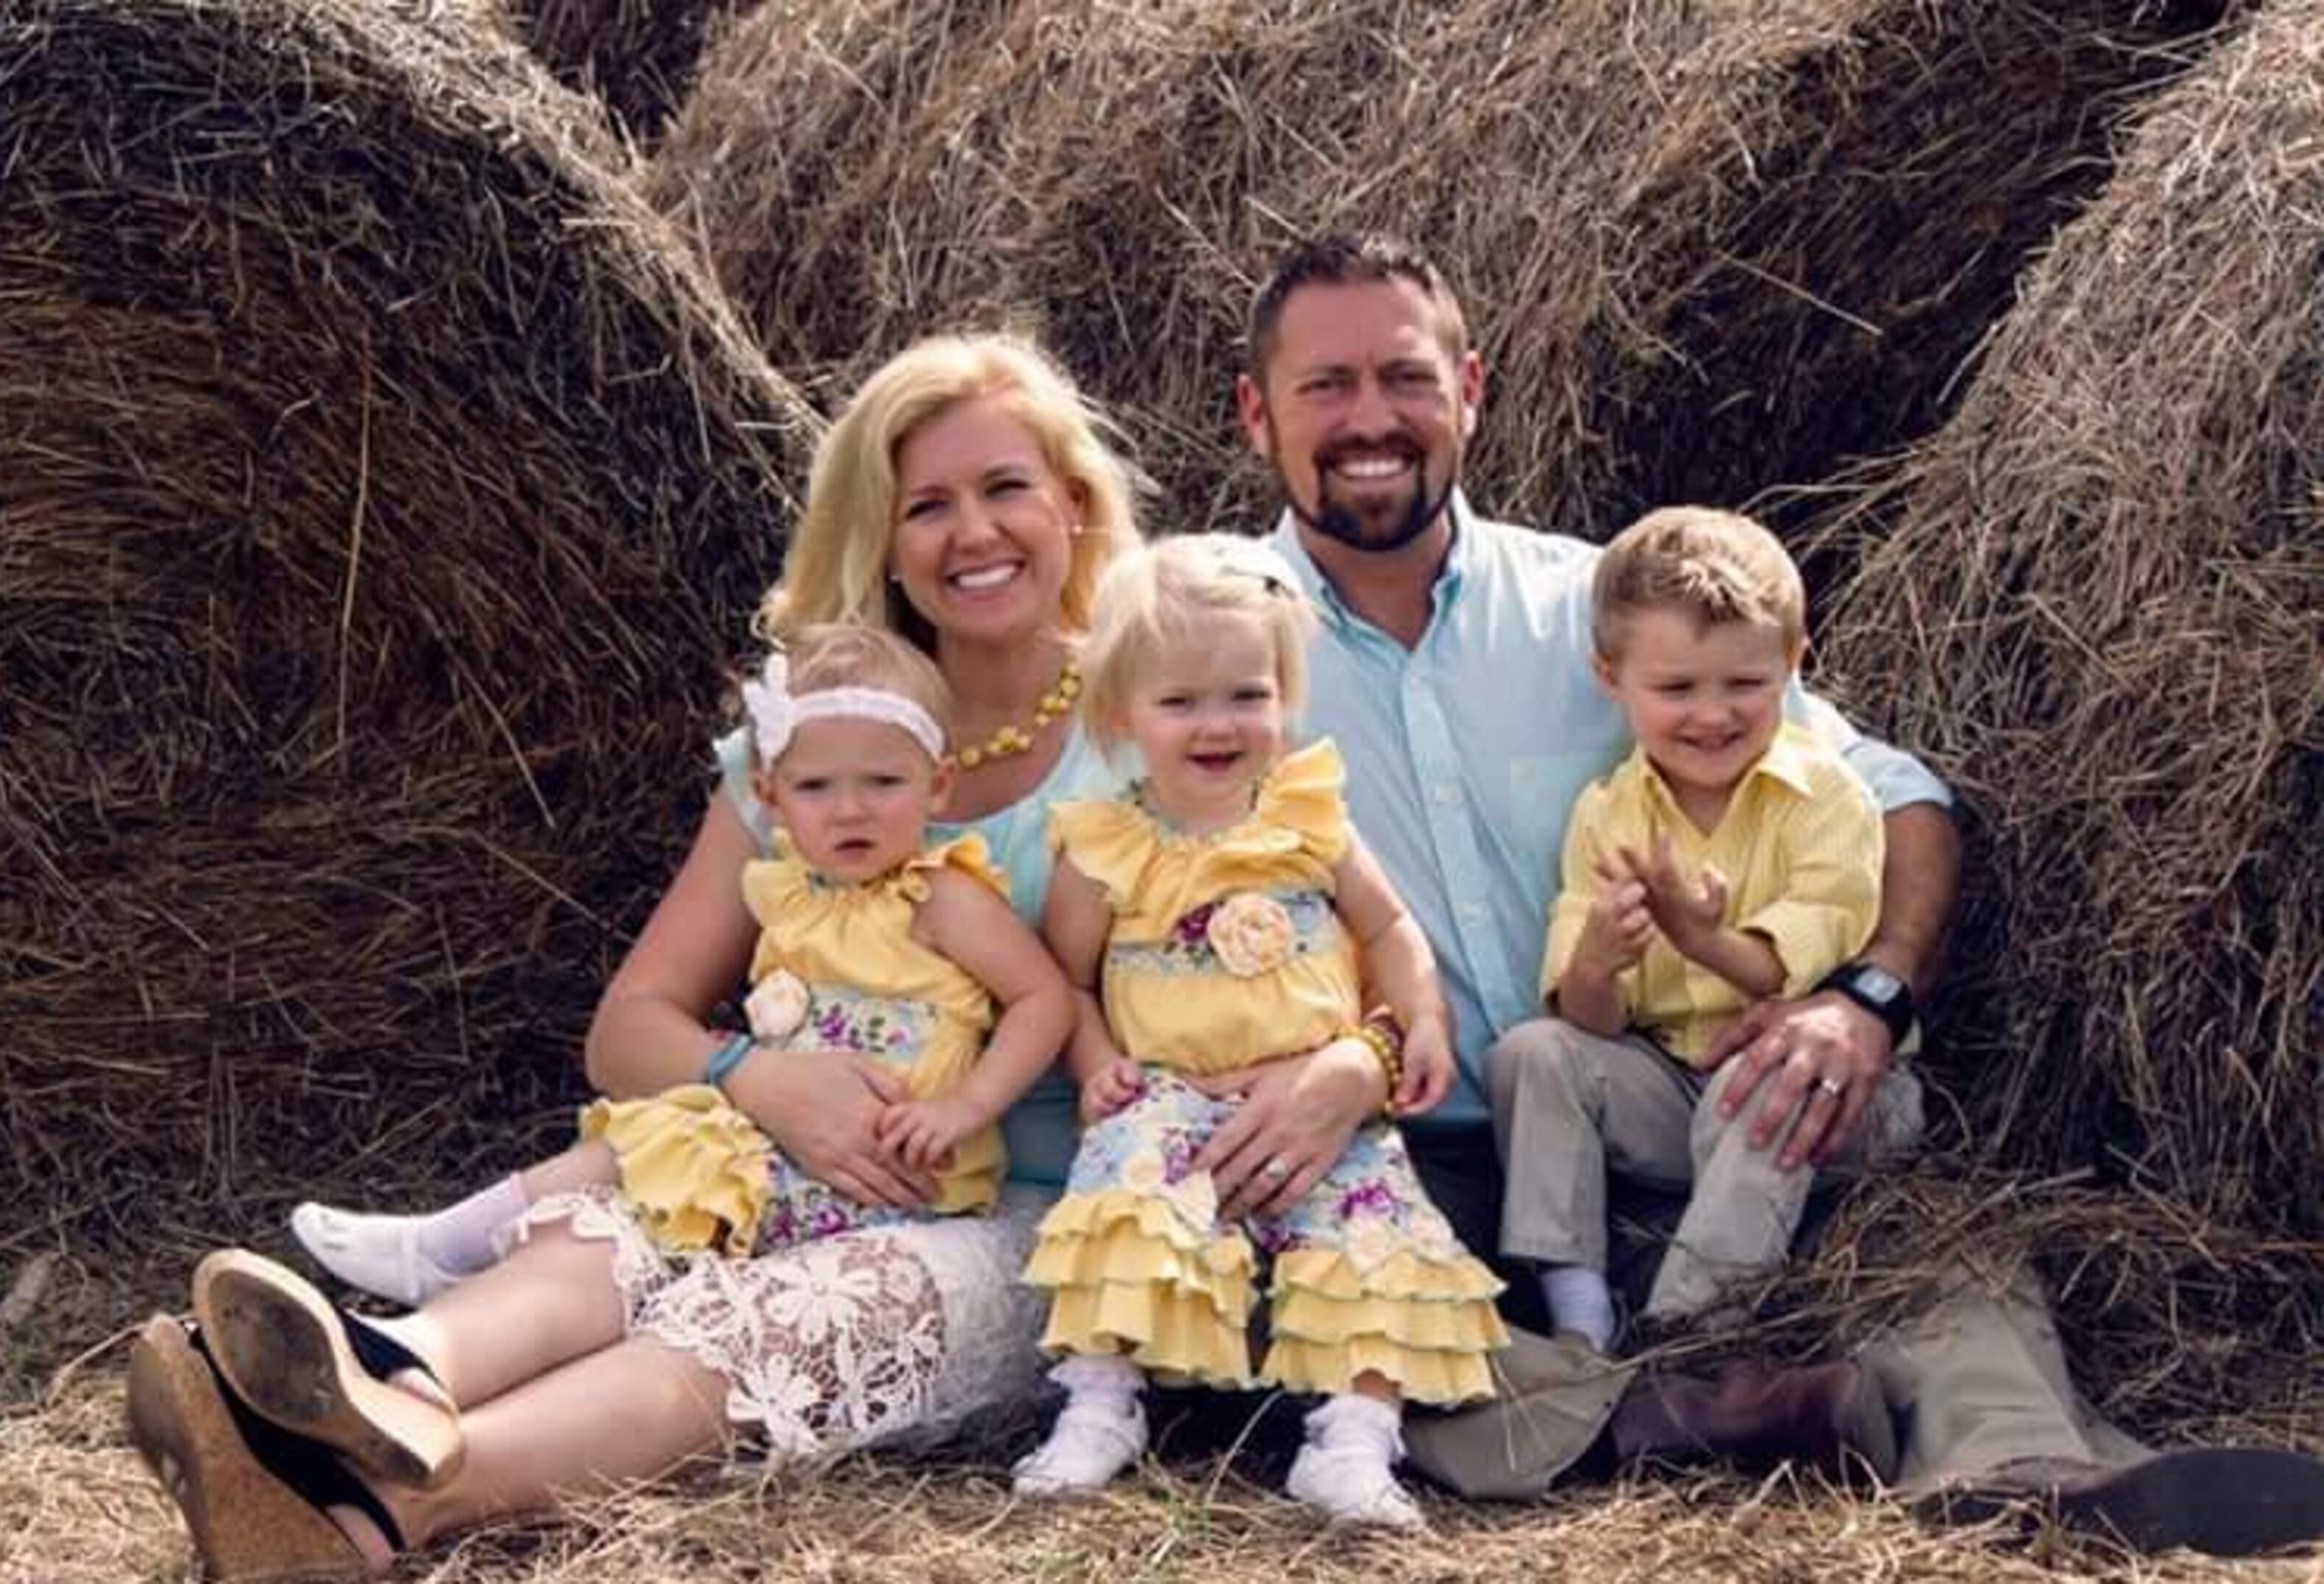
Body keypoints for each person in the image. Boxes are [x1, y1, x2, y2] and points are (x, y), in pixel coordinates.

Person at [1235, 228, 2324, 1555]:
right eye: (1326, 386)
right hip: (1418, 1159)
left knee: (1937, 1247)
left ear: (1470, 388)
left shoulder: (1615, 605)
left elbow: (1901, 795)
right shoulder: (1208, 638)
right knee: (1298, 1305)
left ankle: (2026, 1469)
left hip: (1669, 1105)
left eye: (1404, 378)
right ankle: (1675, 1413)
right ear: (1256, 413)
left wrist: (1862, 1001)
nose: (1371, 421)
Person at [127, 331, 1166, 1580]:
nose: (973, 532)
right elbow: (633, 1029)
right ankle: (393, 1370)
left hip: (1036, 1220)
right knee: (617, 1219)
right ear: (880, 539)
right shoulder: (809, 747)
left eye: (1005, 487)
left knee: (744, 1325)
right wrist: (756, 1077)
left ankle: (353, 1517)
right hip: (783, 1155)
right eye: (925, 505)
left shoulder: (1160, 726)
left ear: (1074, 502)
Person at [280, 626, 1073, 1308]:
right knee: (656, 1136)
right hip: (788, 1146)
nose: (851, 808)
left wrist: (968, 1107)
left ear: (936, 786)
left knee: (664, 1151)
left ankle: (452, 1255)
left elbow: (1042, 998)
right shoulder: (790, 895)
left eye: (883, 783)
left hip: (897, 1175)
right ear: (772, 795)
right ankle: (453, 1258)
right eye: (817, 786)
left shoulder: (943, 897)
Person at [1009, 533, 1506, 1526]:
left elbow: (1389, 925)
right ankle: (1102, 1406)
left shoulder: (1309, 815)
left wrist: (1422, 1017)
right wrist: (1099, 1062)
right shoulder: (1109, 844)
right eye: (1180, 702)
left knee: (1379, 1246)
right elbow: (1064, 979)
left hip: (1319, 1091)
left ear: (1285, 696)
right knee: (1127, 1216)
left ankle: (1354, 1442)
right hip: (1168, 1094)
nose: (1217, 724)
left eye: (1246, 695)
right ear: (1121, 714)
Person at [1501, 505, 1896, 1349]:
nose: (1712, 714)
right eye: (1677, 689)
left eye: (1745, 685)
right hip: (1674, 1092)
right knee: (1532, 1053)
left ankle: (1690, 1335)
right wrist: (1599, 964)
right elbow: (1588, 1023)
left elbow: (1782, 973)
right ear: (1611, 678)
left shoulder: (1830, 800)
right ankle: (1577, 1314)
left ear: (1794, 663)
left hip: (1827, 1095)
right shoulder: (1609, 813)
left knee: (1758, 1080)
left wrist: (1700, 935)